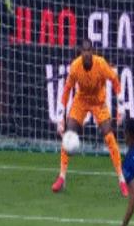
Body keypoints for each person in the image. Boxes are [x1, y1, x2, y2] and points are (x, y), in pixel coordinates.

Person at [51, 39, 128, 196]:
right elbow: (66, 91)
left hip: (99, 102)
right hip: (81, 101)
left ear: (92, 52)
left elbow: (115, 81)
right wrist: (60, 118)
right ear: (81, 52)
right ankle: (62, 177)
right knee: (68, 134)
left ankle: (121, 179)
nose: (86, 54)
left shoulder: (101, 64)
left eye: (89, 51)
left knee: (109, 136)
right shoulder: (75, 66)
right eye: (84, 51)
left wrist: (121, 108)